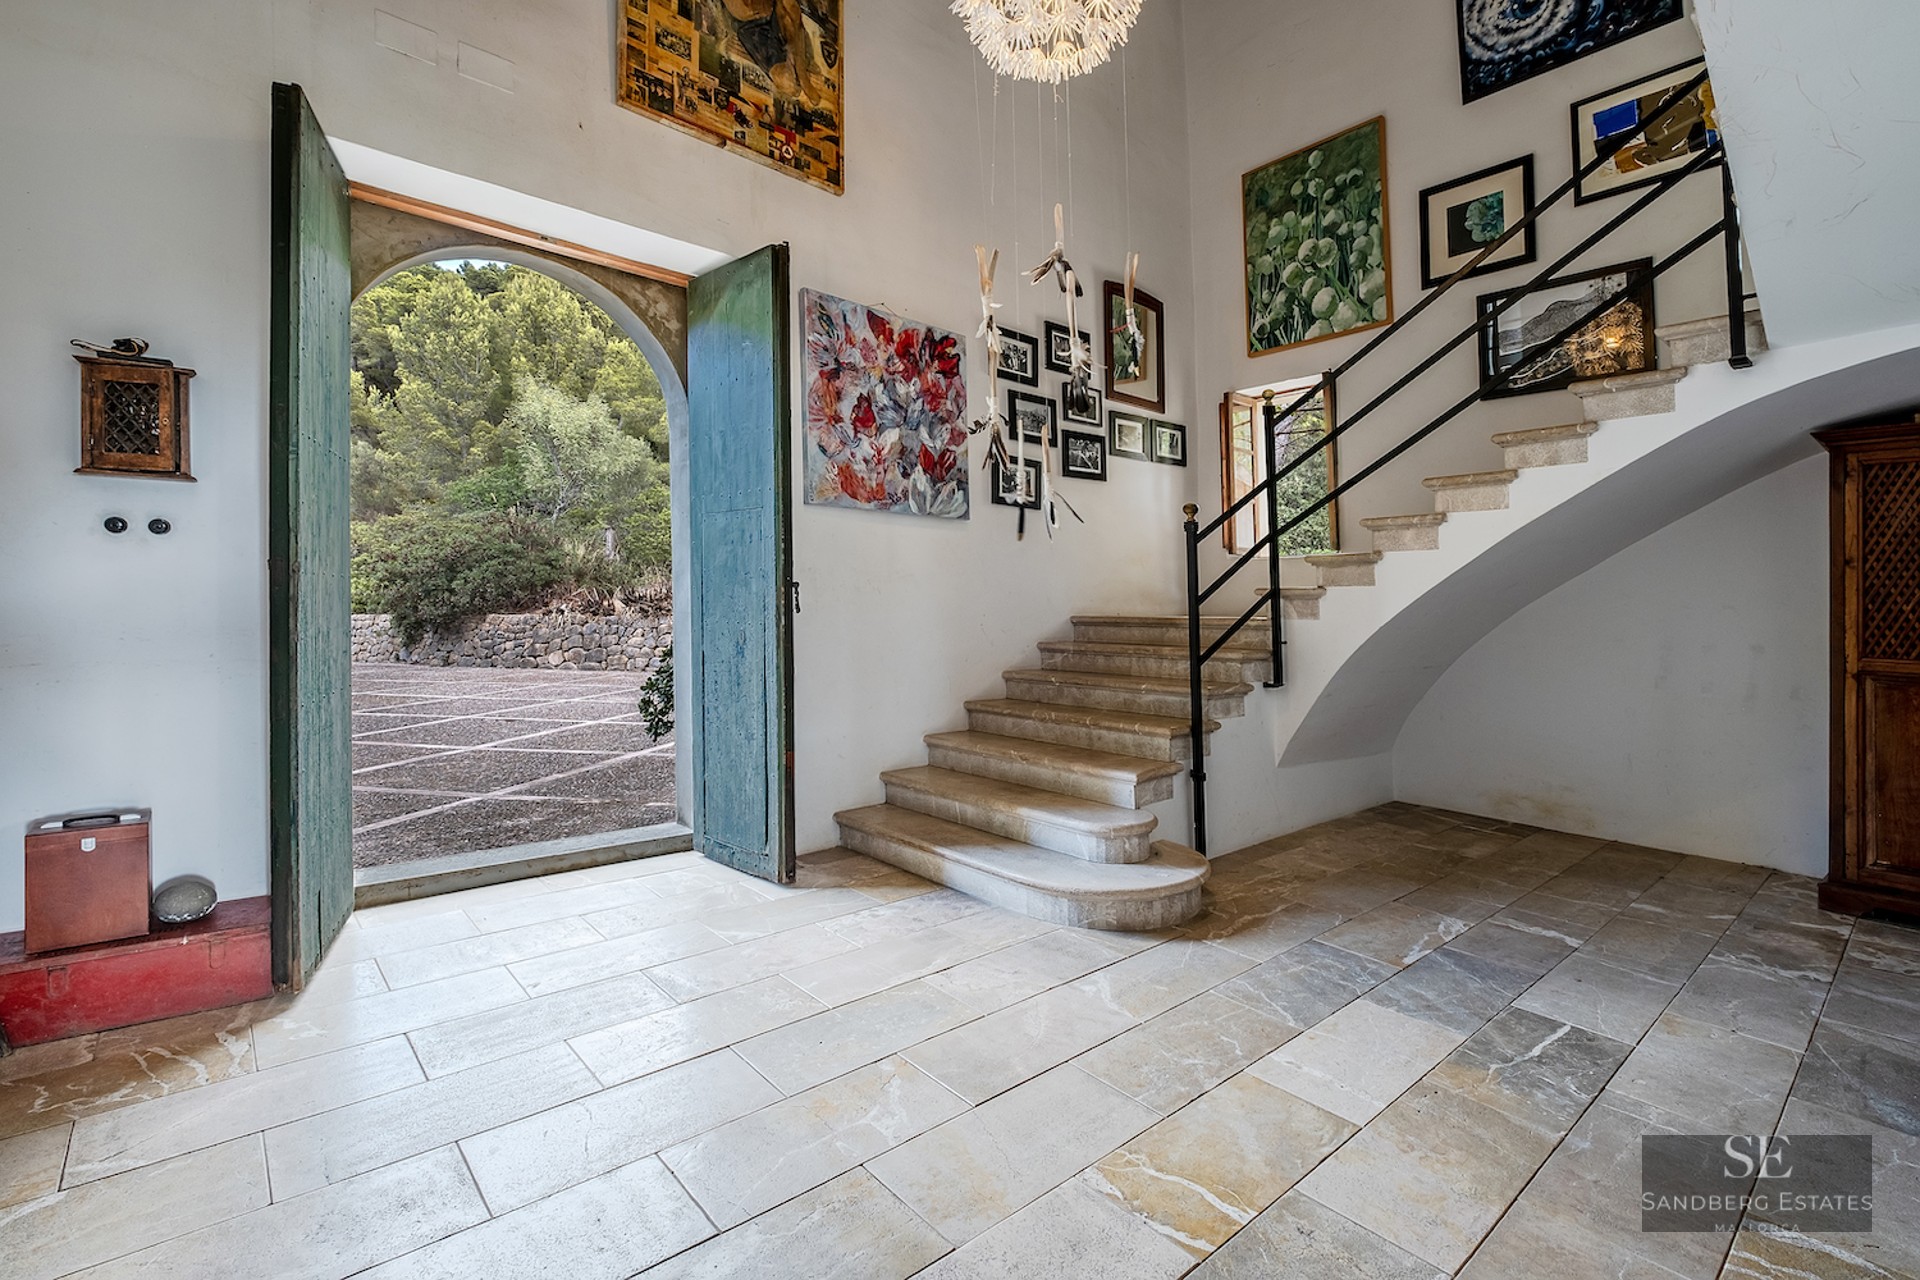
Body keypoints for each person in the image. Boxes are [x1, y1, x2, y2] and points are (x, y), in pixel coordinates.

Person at [714, 0, 826, 107]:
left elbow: (793, 10)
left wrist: (801, 70)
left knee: (789, 12)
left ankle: (801, 68)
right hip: (749, 25)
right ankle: (798, 68)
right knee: (785, 80)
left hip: (772, 13)